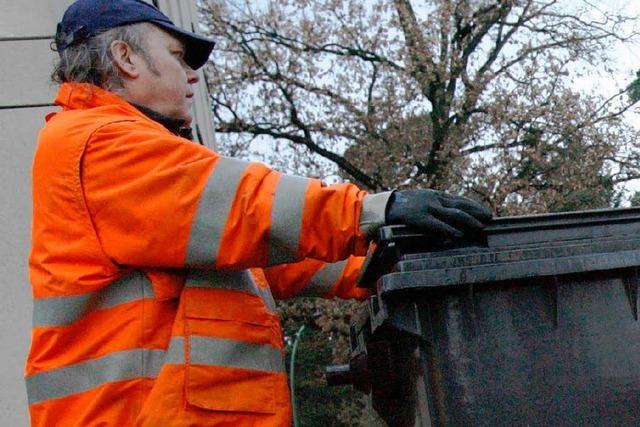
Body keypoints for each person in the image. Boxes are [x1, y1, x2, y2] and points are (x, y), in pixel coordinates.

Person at [25, 0, 492, 425]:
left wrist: (378, 262)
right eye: (178, 56)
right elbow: (249, 208)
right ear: (126, 59)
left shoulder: (124, 160)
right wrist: (372, 211)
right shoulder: (96, 143)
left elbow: (270, 256)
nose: (193, 75)